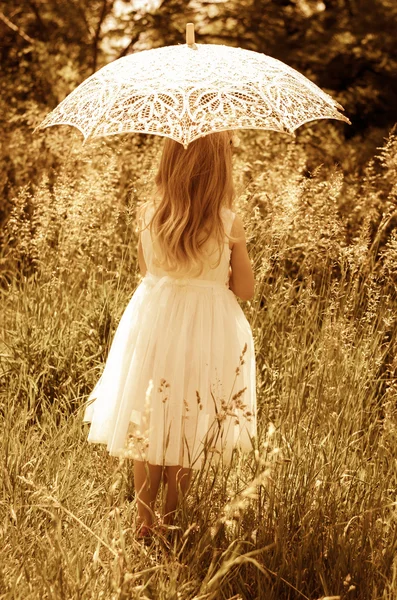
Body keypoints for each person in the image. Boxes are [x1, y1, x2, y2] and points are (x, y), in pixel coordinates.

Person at [83, 131, 256, 540]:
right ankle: (170, 519)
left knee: (149, 417)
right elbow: (245, 290)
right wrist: (220, 272)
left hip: (153, 322)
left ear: (169, 163)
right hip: (206, 331)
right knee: (188, 417)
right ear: (220, 170)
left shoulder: (148, 213)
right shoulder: (229, 222)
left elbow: (147, 272)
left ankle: (143, 519)